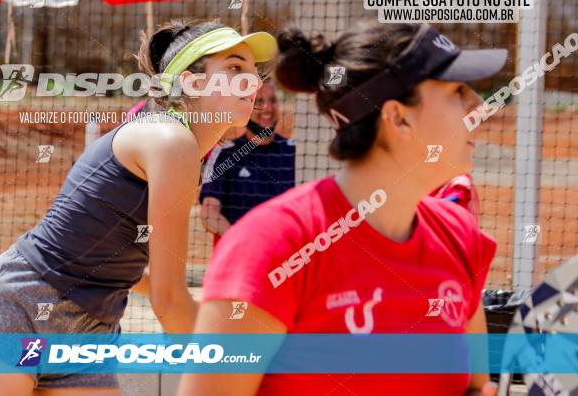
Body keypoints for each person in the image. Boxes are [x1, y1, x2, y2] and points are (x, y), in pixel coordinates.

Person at [0, 19, 278, 396]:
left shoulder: (185, 152)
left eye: (254, 71)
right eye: (234, 68)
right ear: (192, 83)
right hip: (20, 308)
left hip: (90, 327)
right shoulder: (169, 141)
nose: (254, 82)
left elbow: (119, 258)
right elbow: (170, 301)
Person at [179, 22, 505, 396]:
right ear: (398, 117)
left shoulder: (458, 235)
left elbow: (476, 387)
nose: (479, 105)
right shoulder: (275, 244)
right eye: (457, 90)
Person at [199, 80, 295, 247]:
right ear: (247, 108)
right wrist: (243, 242)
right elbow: (209, 214)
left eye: (272, 100)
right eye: (259, 101)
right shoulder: (225, 153)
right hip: (241, 259)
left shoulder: (295, 152)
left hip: (287, 257)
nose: (268, 108)